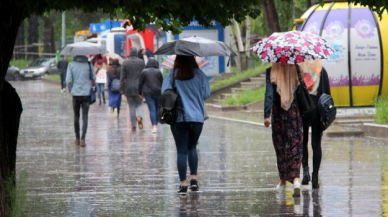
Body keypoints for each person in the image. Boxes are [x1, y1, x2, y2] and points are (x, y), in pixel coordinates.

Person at [161, 55, 211, 195]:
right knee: (192, 147)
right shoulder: (200, 74)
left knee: (181, 150)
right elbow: (206, 93)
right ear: (192, 59)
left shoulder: (172, 74)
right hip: (196, 119)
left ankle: (183, 184)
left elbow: (164, 94)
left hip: (179, 118)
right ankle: (194, 181)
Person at [264, 63, 303, 197]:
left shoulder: (271, 71)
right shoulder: (296, 69)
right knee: (295, 144)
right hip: (293, 111)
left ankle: (283, 181)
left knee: (280, 146)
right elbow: (301, 91)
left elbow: (269, 94)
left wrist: (266, 115)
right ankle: (296, 179)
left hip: (278, 113)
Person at [299, 60, 331, 189]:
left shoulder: (300, 71)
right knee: (316, 145)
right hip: (318, 112)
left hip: (303, 111)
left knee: (303, 143)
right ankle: (315, 177)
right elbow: (327, 95)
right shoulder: (322, 71)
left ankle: (305, 174)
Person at [66, 55, 96, 147]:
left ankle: (77, 138)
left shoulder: (71, 65)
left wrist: (71, 90)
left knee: (76, 116)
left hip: (76, 94)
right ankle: (83, 139)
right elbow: (94, 78)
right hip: (86, 94)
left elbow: (68, 80)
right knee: (85, 116)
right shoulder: (88, 64)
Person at [120, 47, 145, 130]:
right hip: (139, 87)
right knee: (140, 104)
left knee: (131, 107)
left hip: (129, 87)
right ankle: (140, 116)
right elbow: (143, 75)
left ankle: (133, 125)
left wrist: (121, 88)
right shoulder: (141, 62)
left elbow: (122, 77)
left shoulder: (125, 63)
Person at [138, 58, 163, 133]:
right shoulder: (159, 71)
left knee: (152, 109)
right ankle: (156, 124)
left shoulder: (144, 71)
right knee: (157, 109)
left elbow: (140, 83)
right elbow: (162, 82)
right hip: (158, 92)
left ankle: (154, 126)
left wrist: (140, 92)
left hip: (148, 93)